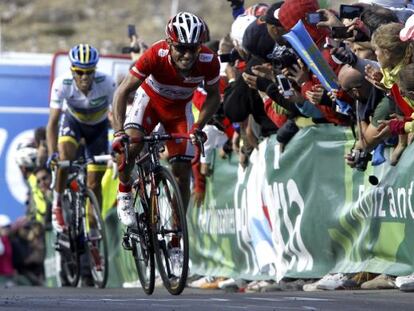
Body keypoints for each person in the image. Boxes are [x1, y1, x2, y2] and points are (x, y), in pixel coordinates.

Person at [111, 12, 221, 227]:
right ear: (170, 43)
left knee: (182, 171)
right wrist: (118, 132)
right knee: (130, 147)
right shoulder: (156, 53)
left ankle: (176, 237)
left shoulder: (209, 60)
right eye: (181, 48)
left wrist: (199, 125)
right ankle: (124, 192)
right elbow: (122, 91)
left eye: (193, 48)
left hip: (179, 111)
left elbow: (214, 95)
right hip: (150, 103)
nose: (188, 55)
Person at [46, 43, 116, 232]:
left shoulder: (107, 83)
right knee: (63, 159)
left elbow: (117, 116)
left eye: (89, 72)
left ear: (95, 70)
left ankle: (93, 234)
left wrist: (118, 142)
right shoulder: (62, 83)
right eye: (79, 72)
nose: (85, 77)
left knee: (94, 185)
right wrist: (52, 154)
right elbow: (52, 122)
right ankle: (57, 205)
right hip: (74, 123)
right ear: (72, 70)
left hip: (98, 129)